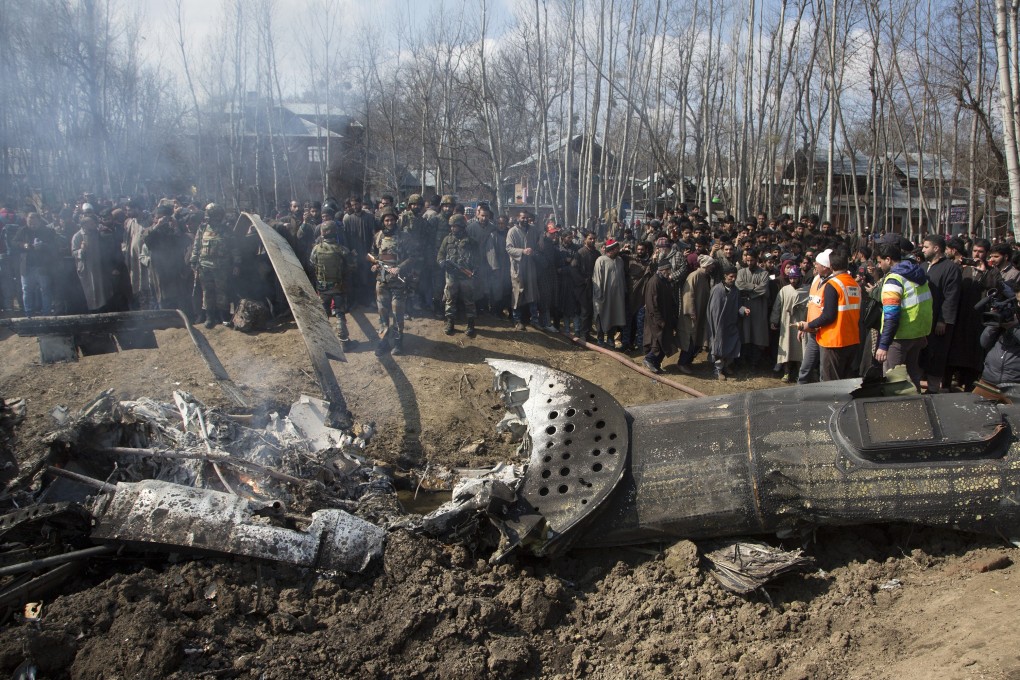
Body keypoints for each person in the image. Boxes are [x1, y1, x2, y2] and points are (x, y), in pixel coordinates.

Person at [872, 243, 933, 392]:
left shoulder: (894, 280)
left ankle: (896, 411)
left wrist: (883, 345)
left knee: (894, 380)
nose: (879, 266)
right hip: (918, 334)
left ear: (888, 259)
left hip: (899, 337)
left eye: (880, 262)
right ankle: (918, 408)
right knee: (913, 376)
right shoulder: (918, 274)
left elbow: (891, 315)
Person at [795, 249, 861, 381]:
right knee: (843, 381)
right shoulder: (855, 284)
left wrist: (809, 324)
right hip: (851, 339)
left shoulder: (833, 284)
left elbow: (829, 315)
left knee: (830, 382)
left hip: (833, 340)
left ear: (830, 266)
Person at [370, 207, 415, 355]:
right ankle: (383, 342)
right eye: (386, 220)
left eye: (392, 220)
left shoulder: (405, 237)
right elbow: (374, 255)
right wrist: (375, 264)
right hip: (382, 281)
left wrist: (399, 268)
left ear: (396, 220)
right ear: (383, 221)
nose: (389, 222)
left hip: (398, 282)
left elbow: (412, 258)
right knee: (382, 313)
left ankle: (397, 342)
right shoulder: (378, 236)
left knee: (397, 313)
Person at [190, 203, 239, 328]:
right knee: (207, 292)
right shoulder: (202, 229)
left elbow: (234, 248)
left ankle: (224, 316)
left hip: (221, 267)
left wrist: (237, 264)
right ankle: (210, 317)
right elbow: (197, 246)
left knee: (222, 292)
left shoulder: (226, 230)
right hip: (204, 267)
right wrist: (194, 261)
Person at [922, 234, 961, 393]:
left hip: (939, 322)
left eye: (926, 247)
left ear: (936, 248)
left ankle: (933, 390)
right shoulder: (924, 266)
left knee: (936, 355)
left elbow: (951, 297)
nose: (923, 250)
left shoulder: (950, 268)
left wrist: (942, 320)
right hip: (923, 321)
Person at [310, 221, 356, 350]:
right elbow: (352, 266)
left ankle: (323, 343)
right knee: (340, 313)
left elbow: (312, 263)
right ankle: (344, 342)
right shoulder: (342, 249)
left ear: (323, 233)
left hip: (322, 287)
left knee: (323, 314)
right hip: (338, 287)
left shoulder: (316, 248)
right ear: (335, 232)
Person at [437, 214, 478, 337]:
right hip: (451, 275)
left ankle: (470, 325)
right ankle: (450, 323)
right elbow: (440, 255)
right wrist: (442, 262)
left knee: (469, 301)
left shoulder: (471, 241)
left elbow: (478, 258)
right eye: (452, 226)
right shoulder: (447, 240)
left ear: (462, 226)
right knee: (450, 300)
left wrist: (475, 269)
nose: (453, 229)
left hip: (466, 276)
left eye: (456, 226)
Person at [707, 264, 749, 380]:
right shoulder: (717, 290)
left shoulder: (735, 290)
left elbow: (738, 306)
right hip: (719, 324)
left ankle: (726, 366)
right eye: (731, 276)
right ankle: (717, 370)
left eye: (735, 276)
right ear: (725, 276)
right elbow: (713, 311)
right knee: (719, 346)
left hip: (731, 323)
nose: (733, 279)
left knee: (732, 344)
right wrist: (716, 327)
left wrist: (743, 310)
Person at [12, 212, 55, 316]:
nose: (32, 225)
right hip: (27, 266)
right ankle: (29, 314)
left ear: (39, 221)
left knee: (45, 290)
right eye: (30, 223)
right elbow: (14, 243)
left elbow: (54, 246)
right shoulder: (22, 230)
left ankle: (46, 314)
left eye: (34, 223)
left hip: (43, 266)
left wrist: (43, 246)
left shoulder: (48, 231)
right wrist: (24, 245)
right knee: (27, 290)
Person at [770, 265, 808, 382]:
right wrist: (774, 321)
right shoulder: (784, 290)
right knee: (786, 348)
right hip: (786, 324)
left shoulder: (807, 290)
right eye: (791, 278)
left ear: (799, 277)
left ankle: (800, 373)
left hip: (801, 325)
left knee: (801, 350)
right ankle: (786, 373)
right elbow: (777, 306)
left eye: (795, 278)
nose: (793, 281)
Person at [677, 253, 714, 374]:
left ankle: (688, 362)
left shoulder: (704, 276)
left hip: (700, 315)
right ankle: (682, 363)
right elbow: (688, 295)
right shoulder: (694, 276)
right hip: (692, 316)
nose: (712, 267)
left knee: (697, 339)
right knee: (690, 340)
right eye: (711, 265)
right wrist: (691, 312)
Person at [735, 247, 770, 367]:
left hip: (759, 307)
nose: (749, 263)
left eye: (752, 260)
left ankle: (755, 361)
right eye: (748, 260)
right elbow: (739, 285)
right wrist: (754, 287)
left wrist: (748, 289)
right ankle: (743, 360)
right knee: (745, 333)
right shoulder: (741, 272)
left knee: (758, 334)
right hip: (745, 306)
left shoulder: (764, 273)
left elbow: (764, 288)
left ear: (756, 260)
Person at [506, 210, 540, 330]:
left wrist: (534, 253)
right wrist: (522, 251)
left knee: (532, 293)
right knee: (517, 293)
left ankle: (534, 320)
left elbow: (538, 246)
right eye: (523, 218)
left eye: (527, 218)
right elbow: (509, 249)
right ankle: (517, 320)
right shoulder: (512, 232)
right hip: (518, 267)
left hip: (530, 266)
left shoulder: (534, 231)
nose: (525, 220)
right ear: (518, 218)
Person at [642, 259, 678, 374]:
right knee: (658, 342)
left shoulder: (664, 281)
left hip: (665, 317)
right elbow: (652, 304)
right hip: (656, 319)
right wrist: (659, 321)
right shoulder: (654, 282)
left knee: (665, 341)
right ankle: (649, 359)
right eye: (668, 270)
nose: (669, 272)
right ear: (662, 270)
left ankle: (656, 364)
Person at [592, 238, 627, 348]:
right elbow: (597, 278)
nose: (618, 250)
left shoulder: (620, 260)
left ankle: (610, 339)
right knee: (601, 315)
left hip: (617, 297)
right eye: (617, 249)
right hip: (603, 296)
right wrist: (599, 296)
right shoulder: (600, 260)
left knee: (614, 317)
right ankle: (600, 339)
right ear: (611, 250)